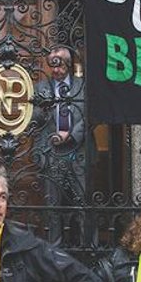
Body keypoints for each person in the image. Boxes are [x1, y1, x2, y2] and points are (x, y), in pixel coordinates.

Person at [37, 46, 88, 247]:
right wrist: (43, 109)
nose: (56, 71)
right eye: (52, 66)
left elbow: (89, 115)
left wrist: (72, 134)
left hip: (78, 152)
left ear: (68, 64)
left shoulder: (82, 86)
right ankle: (53, 252)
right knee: (52, 208)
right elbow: (32, 117)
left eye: (59, 66)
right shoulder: (41, 87)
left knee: (83, 204)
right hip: (51, 154)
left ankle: (87, 249)